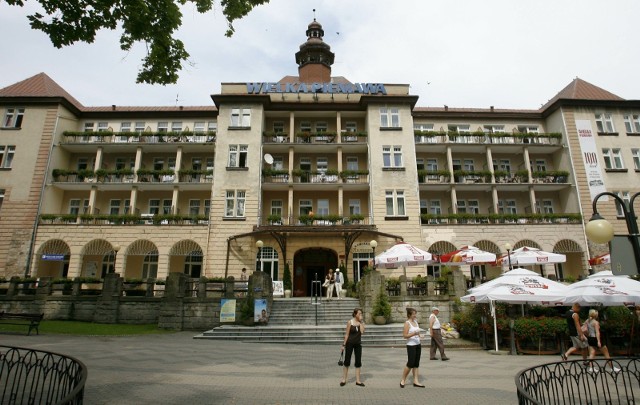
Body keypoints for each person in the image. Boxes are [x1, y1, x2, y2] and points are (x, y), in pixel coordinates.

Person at [400, 307, 425, 388]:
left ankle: (416, 381)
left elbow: (417, 332)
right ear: (409, 315)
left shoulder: (416, 322)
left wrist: (419, 335)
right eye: (413, 314)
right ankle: (403, 379)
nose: (415, 315)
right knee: (410, 363)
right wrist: (413, 334)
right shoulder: (407, 323)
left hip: (418, 344)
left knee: (416, 364)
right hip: (411, 345)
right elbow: (405, 336)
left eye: (415, 314)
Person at [340, 308, 365, 387]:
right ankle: (344, 379)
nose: (361, 315)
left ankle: (358, 381)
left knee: (358, 362)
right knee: (347, 361)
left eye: (361, 314)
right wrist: (343, 345)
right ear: (355, 314)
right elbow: (347, 334)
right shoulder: (350, 322)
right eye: (359, 314)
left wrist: (361, 322)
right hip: (349, 343)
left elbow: (362, 332)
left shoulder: (361, 323)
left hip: (358, 344)